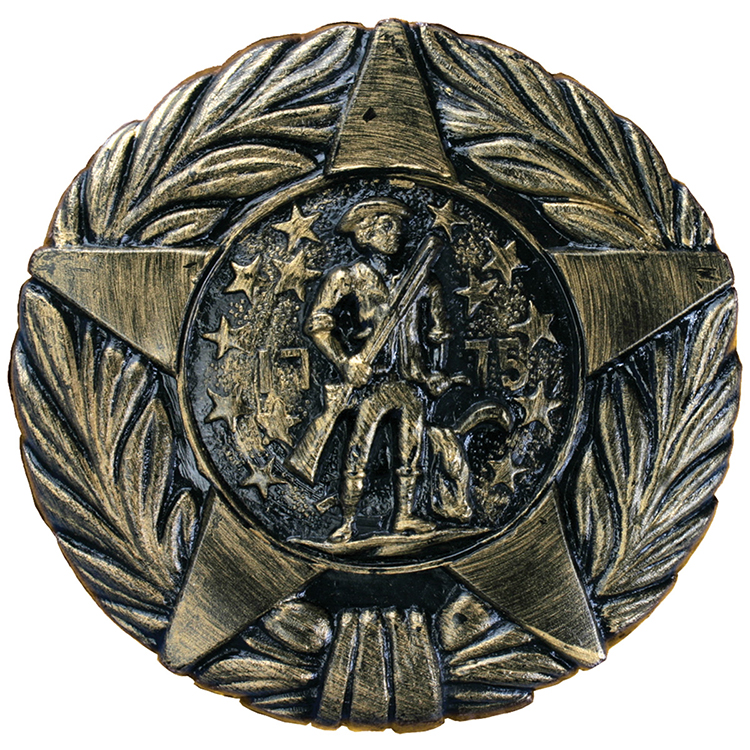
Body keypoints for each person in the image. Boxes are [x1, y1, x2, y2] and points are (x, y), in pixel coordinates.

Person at [305, 198, 453, 543]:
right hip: (370, 384)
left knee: (411, 452)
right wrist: (345, 362)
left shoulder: (421, 281)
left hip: (410, 381)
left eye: (397, 226)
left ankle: (404, 515)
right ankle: (348, 522)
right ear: (365, 233)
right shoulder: (346, 278)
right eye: (387, 225)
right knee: (358, 452)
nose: (396, 232)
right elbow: (318, 325)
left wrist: (435, 371)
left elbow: (439, 334)